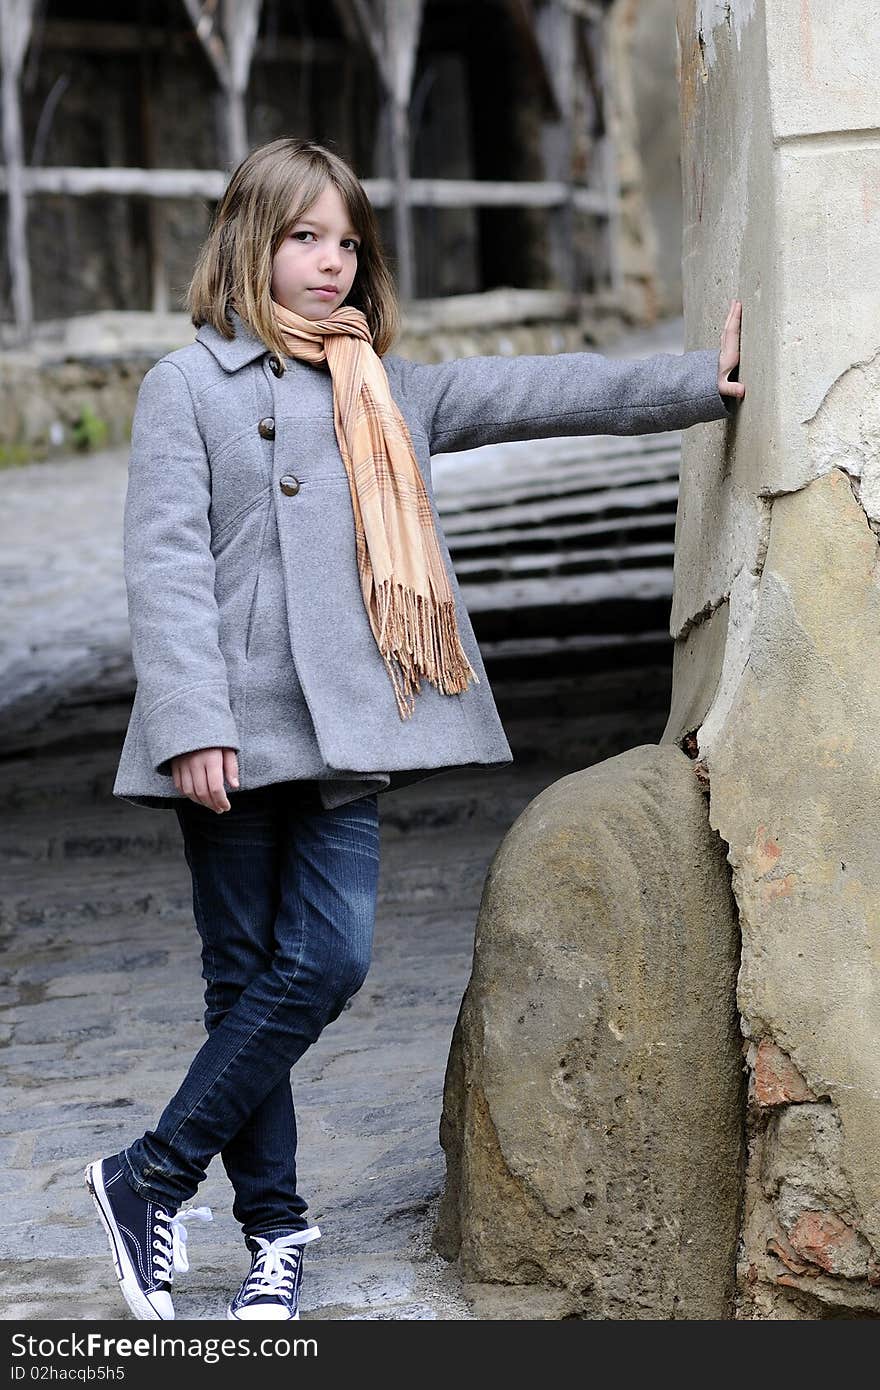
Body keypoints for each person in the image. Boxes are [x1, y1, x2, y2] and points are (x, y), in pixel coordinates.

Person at [85, 137, 745, 1323]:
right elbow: (166, 568)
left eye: (345, 241)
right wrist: (190, 722)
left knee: (326, 959)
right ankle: (275, 1232)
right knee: (243, 980)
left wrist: (707, 378)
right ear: (249, 242)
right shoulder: (184, 387)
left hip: (345, 738)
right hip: (231, 732)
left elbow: (546, 391)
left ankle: (149, 1175)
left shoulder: (385, 387)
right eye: (303, 239)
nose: (329, 264)